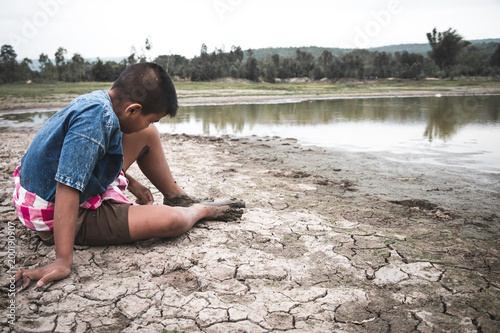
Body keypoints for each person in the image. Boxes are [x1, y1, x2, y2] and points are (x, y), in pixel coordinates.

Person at [13, 63, 244, 289]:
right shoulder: (95, 121)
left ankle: (176, 196)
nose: (150, 124)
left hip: (54, 186)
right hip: (54, 212)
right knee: (171, 221)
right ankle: (201, 210)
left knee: (146, 134)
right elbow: (67, 186)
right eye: (151, 118)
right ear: (132, 110)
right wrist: (63, 260)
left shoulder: (101, 102)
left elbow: (83, 158)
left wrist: (130, 182)